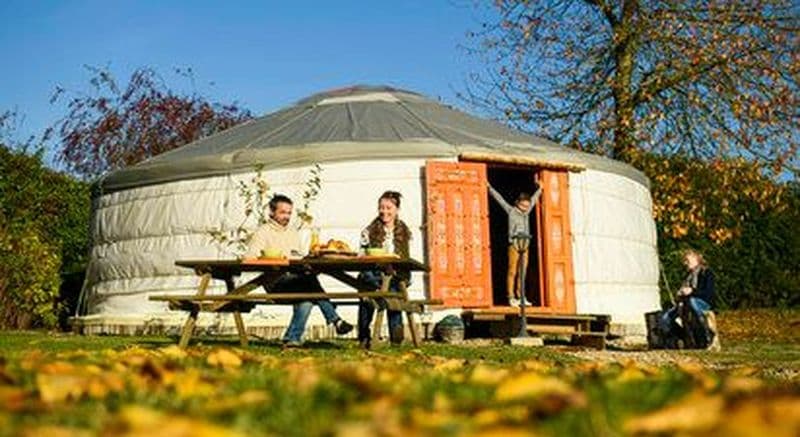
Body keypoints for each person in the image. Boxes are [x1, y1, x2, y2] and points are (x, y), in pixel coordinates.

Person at [244, 194, 353, 347]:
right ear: (272, 212)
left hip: (295, 280)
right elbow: (249, 257)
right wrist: (272, 259)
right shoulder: (263, 232)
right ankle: (335, 319)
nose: (287, 216)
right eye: (282, 212)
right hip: (275, 283)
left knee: (307, 298)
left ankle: (292, 339)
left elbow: (297, 256)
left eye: (289, 213)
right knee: (310, 284)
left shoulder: (292, 232)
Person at [356, 191, 412, 349]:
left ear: (396, 210)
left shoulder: (403, 231)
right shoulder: (369, 231)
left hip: (394, 273)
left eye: (388, 208)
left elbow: (405, 257)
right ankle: (364, 338)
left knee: (393, 291)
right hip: (372, 272)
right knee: (368, 292)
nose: (384, 211)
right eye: (381, 207)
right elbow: (361, 254)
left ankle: (396, 337)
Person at [488, 183, 543, 307]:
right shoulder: (511, 211)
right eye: (523, 205)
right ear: (517, 203)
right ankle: (511, 297)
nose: (524, 208)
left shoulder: (527, 212)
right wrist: (489, 187)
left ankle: (521, 296)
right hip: (514, 244)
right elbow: (499, 199)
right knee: (512, 271)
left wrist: (540, 188)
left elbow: (534, 199)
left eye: (526, 206)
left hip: (525, 244)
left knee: (522, 272)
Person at [659, 249, 716, 349]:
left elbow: (708, 293)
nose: (686, 263)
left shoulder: (706, 273)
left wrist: (692, 291)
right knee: (665, 318)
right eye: (685, 261)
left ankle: (707, 334)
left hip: (703, 301)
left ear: (696, 259)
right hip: (686, 303)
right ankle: (684, 337)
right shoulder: (688, 276)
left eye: (688, 260)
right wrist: (680, 293)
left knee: (692, 302)